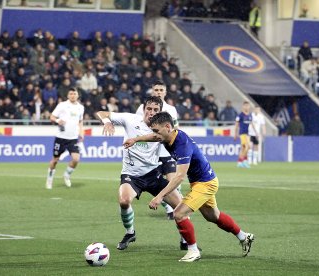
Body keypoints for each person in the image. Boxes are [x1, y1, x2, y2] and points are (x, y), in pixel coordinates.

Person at [124, 112, 255, 262]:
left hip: (206, 183)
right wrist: (135, 139)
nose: (155, 134)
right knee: (213, 216)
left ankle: (193, 251)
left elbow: (179, 177)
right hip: (200, 182)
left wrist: (160, 196)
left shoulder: (182, 144)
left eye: (156, 131)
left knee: (179, 213)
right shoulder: (166, 135)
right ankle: (244, 237)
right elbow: (154, 137)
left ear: (167, 127)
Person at [96, 96, 190, 251]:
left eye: (155, 110)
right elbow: (101, 113)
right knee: (124, 201)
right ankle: (130, 232)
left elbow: (176, 144)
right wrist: (107, 122)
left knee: (181, 206)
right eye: (149, 109)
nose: (151, 113)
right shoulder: (130, 119)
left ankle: (185, 241)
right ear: (144, 109)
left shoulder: (162, 129)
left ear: (160, 112)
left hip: (154, 174)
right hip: (131, 175)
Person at [136, 80, 179, 220]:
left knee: (172, 183)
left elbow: (175, 129)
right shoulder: (142, 108)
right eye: (156, 90)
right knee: (156, 184)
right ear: (152, 91)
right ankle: (168, 207)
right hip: (152, 154)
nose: (159, 92)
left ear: (165, 92)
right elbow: (137, 127)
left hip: (167, 152)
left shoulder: (171, 110)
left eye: (161, 90)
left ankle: (177, 208)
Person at [46, 88, 85, 189]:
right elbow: (52, 117)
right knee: (55, 160)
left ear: (77, 95)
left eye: (74, 94)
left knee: (76, 159)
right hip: (60, 138)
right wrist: (58, 120)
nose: (72, 95)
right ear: (68, 95)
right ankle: (49, 179)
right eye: (71, 94)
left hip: (72, 138)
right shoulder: (62, 105)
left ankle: (66, 175)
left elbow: (80, 121)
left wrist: (81, 132)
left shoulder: (81, 107)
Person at [234, 102, 255, 168]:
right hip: (242, 133)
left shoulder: (250, 115)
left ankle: (240, 162)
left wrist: (256, 132)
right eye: (245, 106)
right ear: (243, 107)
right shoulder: (240, 115)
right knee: (247, 146)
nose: (246, 107)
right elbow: (236, 125)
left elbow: (252, 123)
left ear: (249, 107)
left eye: (247, 106)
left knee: (244, 148)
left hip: (247, 133)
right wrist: (235, 134)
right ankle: (243, 161)